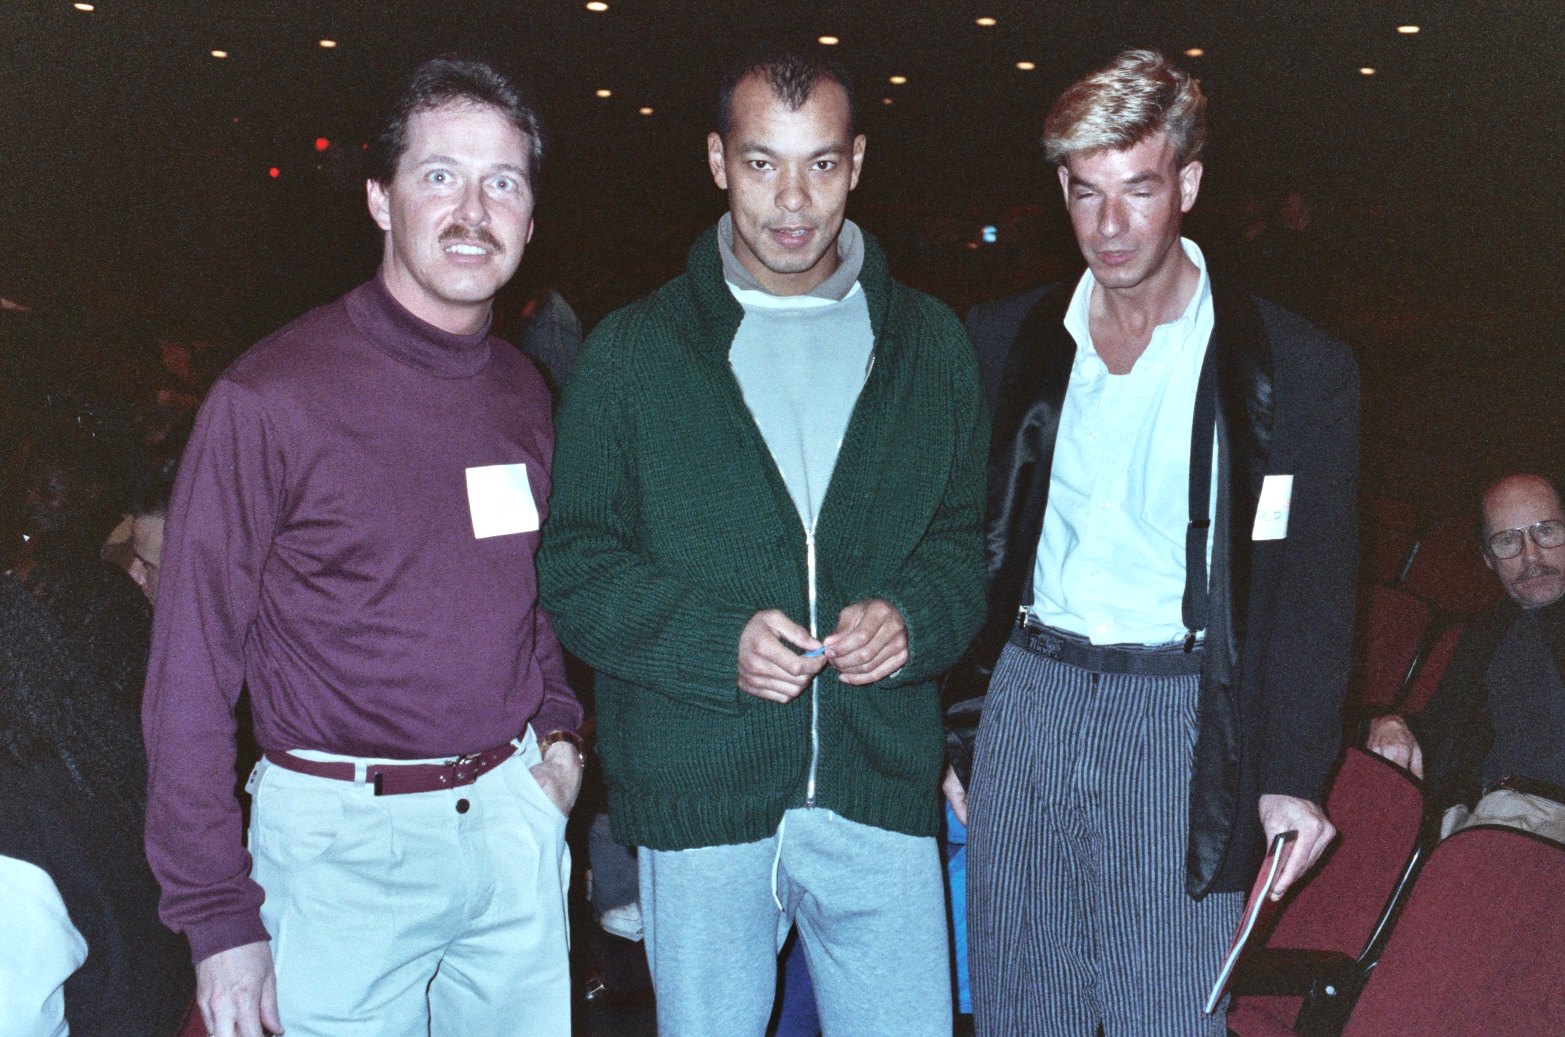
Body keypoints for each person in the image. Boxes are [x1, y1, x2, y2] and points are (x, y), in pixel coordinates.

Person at [539, 50, 988, 1037]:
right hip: (699, 799)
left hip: (875, 793)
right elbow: (574, 563)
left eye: (820, 164)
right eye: (760, 163)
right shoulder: (632, 351)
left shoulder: (927, 344)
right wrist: (713, 644)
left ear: (857, 163)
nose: (792, 199)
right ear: (715, 161)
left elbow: (963, 546)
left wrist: (913, 617)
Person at [142, 57, 584, 1037]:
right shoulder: (268, 399)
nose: (473, 209)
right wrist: (218, 919)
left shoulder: (522, 392)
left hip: (511, 831)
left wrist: (559, 734)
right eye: (439, 175)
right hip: (340, 851)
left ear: (530, 218)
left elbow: (530, 594)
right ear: (380, 199)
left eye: (502, 182)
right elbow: (187, 672)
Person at [946, 49, 1359, 1036]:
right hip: (1027, 699)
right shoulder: (1002, 340)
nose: (1108, 225)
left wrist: (1292, 773)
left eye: (1137, 189)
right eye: (1083, 193)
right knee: (1019, 1011)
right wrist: (953, 723)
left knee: (1163, 1015)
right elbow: (955, 541)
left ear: (1187, 183)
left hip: (1186, 712)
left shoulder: (1297, 367)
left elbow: (1312, 589)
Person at [1367, 473, 1565, 827]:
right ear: (1488, 559)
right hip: (1479, 820)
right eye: (1507, 541)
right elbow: (1439, 731)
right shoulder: (1485, 633)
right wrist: (1389, 724)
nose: (1531, 556)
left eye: (1546, 531)